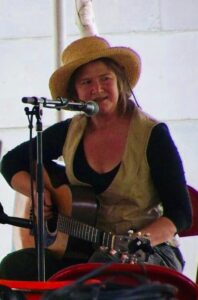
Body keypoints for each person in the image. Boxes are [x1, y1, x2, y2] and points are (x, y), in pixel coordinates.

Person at [0, 35, 192, 280]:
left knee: (102, 270)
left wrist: (135, 242)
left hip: (149, 251)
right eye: (86, 82)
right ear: (76, 93)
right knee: (15, 266)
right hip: (81, 251)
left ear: (120, 81)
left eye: (105, 79)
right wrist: (39, 193)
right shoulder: (70, 131)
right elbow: (11, 162)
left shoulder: (152, 134)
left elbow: (180, 214)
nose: (97, 89)